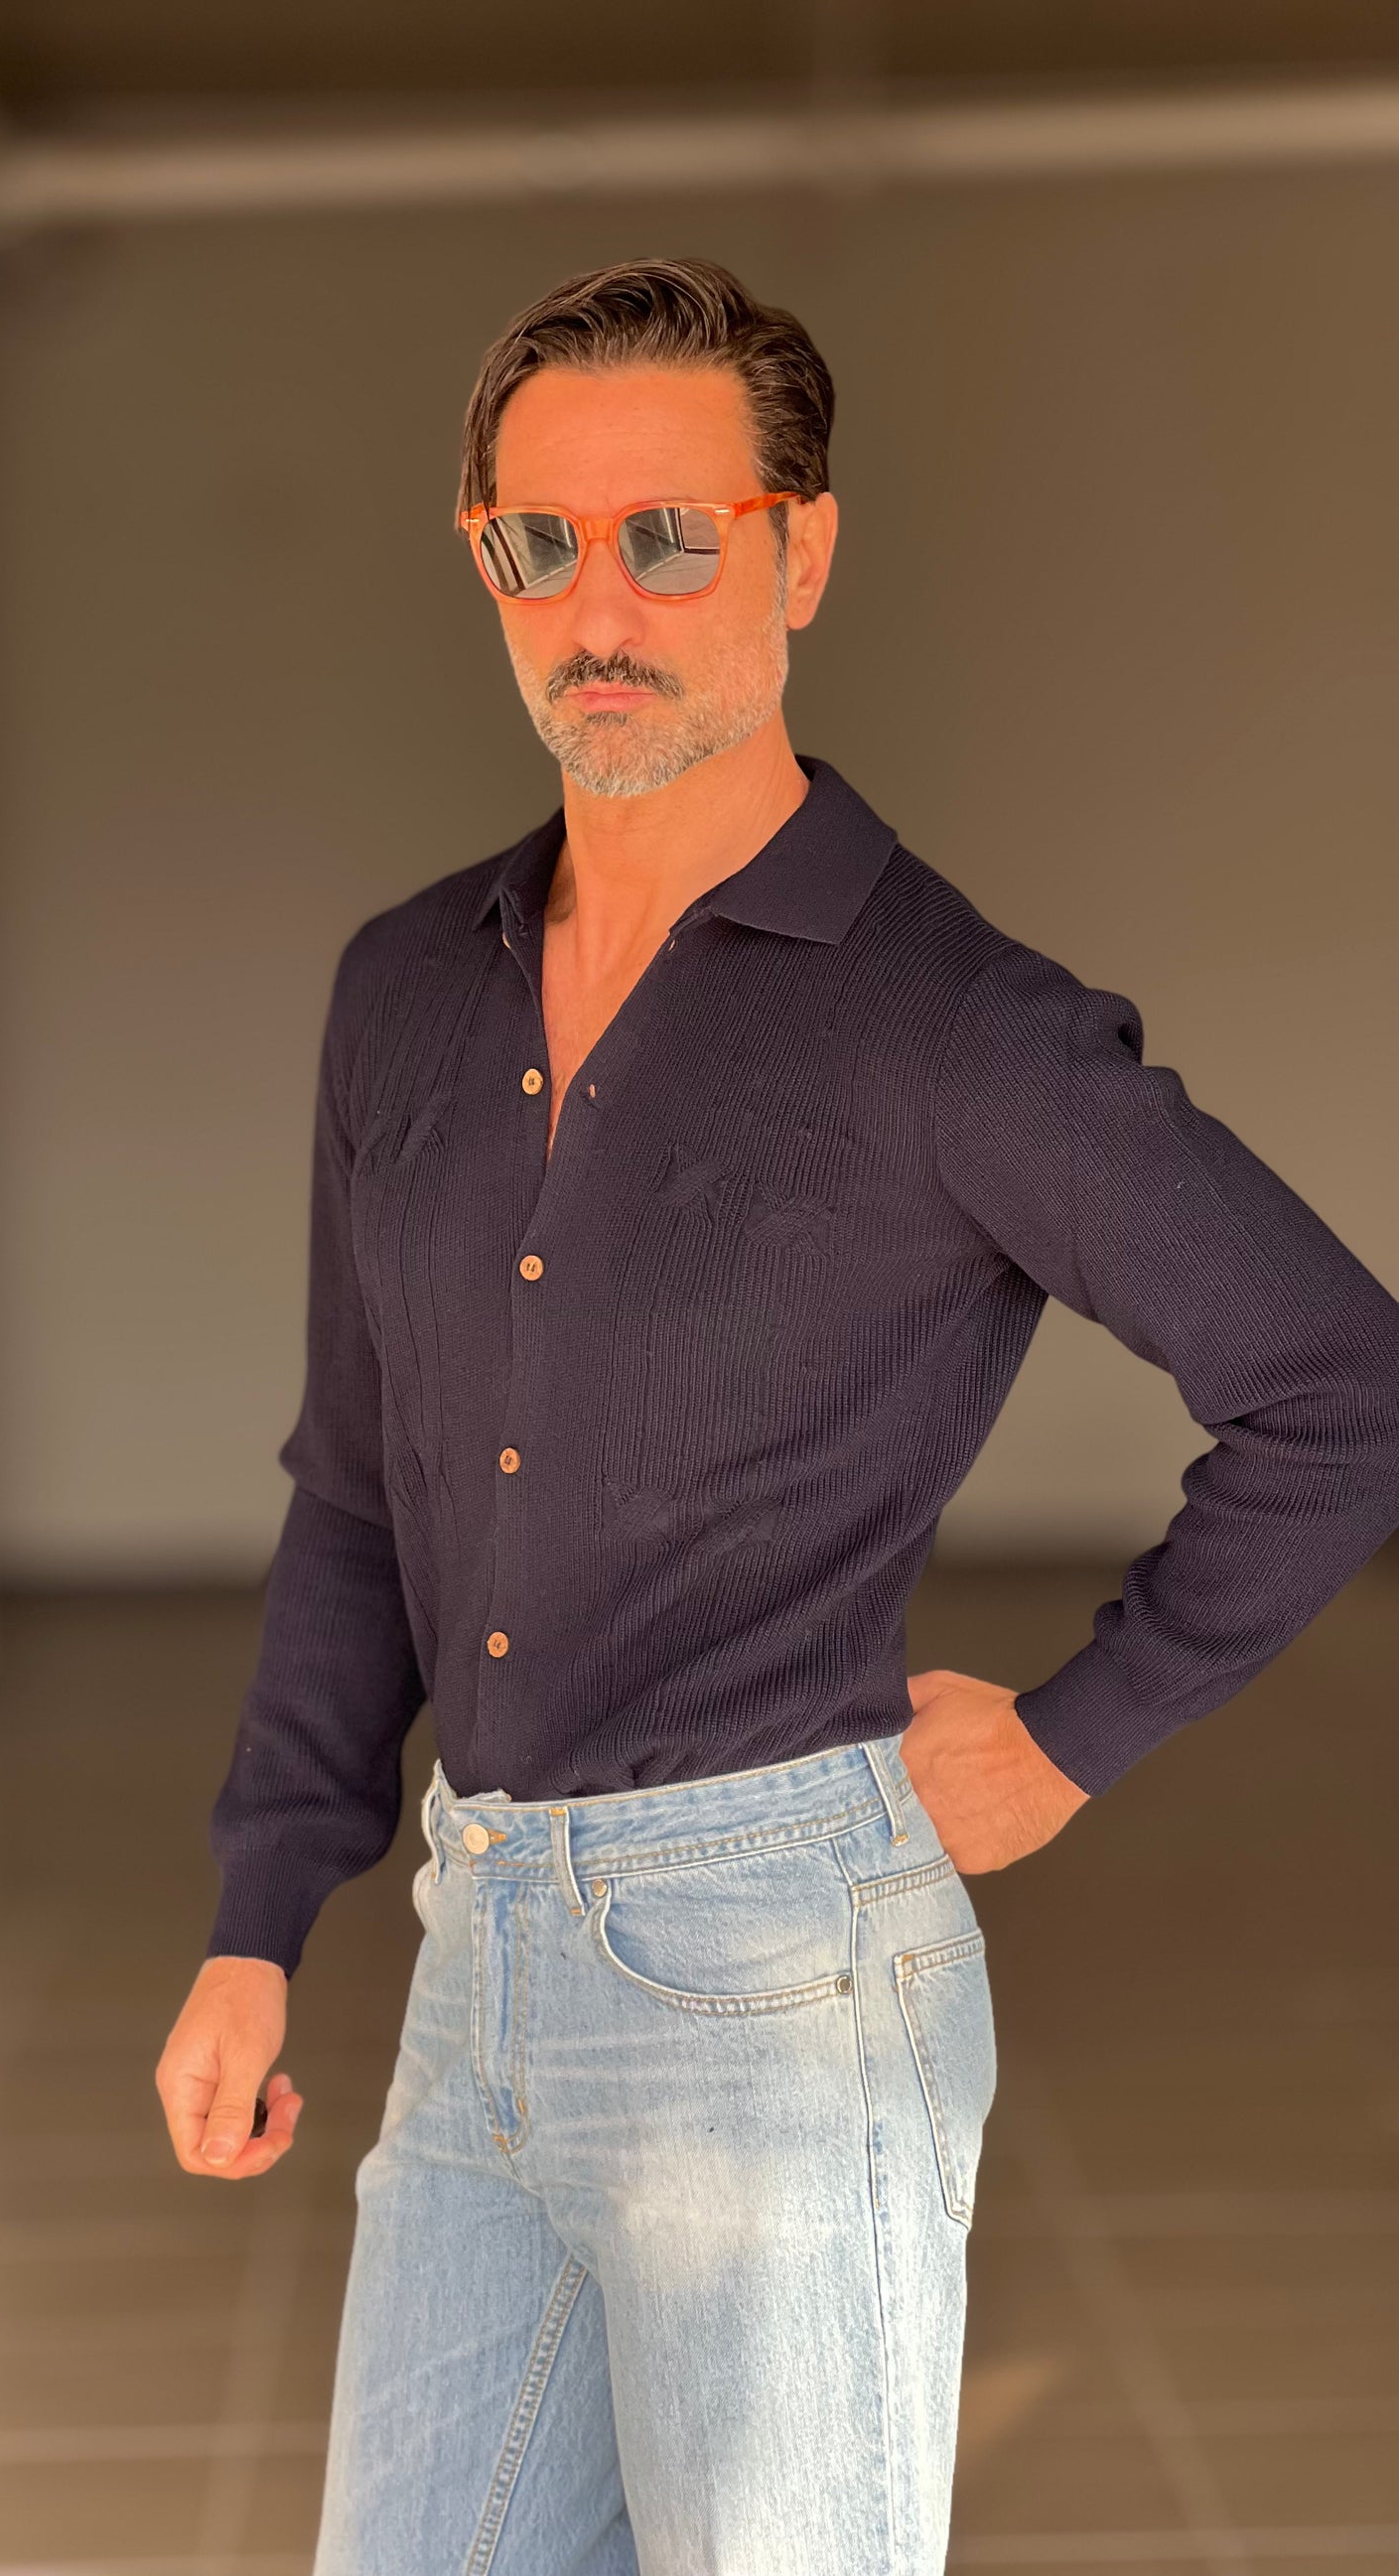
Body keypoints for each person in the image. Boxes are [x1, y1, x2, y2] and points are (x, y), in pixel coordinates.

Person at [155, 257, 1399, 2572]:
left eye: (671, 535)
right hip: (474, 1953)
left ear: (799, 552)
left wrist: (1072, 1736)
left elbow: (1343, 1385)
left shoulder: (952, 1026)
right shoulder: (404, 988)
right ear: (480, 562)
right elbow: (356, 1497)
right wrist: (258, 1911)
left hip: (781, 1987)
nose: (597, 604)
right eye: (540, 541)